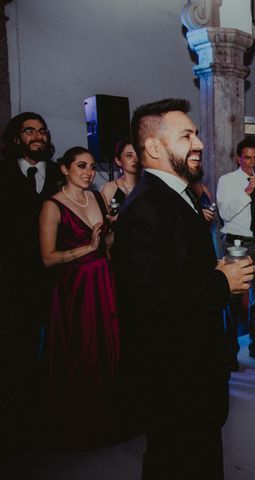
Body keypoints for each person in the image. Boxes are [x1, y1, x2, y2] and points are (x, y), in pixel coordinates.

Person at [112, 98, 254, 479]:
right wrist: (220, 282)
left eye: (196, 134)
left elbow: (176, 268)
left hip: (193, 367)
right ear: (154, 148)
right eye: (186, 135)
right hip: (173, 377)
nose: (200, 143)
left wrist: (214, 269)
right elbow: (149, 299)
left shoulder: (178, 195)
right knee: (177, 461)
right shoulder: (144, 208)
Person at [38, 146, 118, 447]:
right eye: (81, 166)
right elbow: (47, 258)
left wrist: (111, 231)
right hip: (75, 288)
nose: (88, 172)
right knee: (80, 352)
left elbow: (108, 243)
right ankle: (80, 426)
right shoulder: (52, 205)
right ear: (64, 169)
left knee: (106, 348)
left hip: (103, 280)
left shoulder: (97, 197)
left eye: (92, 166)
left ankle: (107, 419)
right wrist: (89, 247)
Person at [0, 112, 62, 452]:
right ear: (15, 139)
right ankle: (19, 420)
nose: (37, 136)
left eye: (41, 130)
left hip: (55, 276)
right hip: (14, 278)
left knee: (55, 343)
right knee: (18, 346)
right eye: (29, 131)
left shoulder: (57, 174)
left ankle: (52, 409)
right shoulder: (4, 175)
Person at [217, 138, 255, 369]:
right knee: (232, 300)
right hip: (236, 247)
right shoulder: (227, 181)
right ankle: (230, 351)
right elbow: (226, 213)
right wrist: (248, 189)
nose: (252, 162)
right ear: (238, 159)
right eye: (247, 157)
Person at [100, 138, 141, 210]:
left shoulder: (149, 186)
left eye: (138, 155)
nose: (136, 159)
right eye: (129, 155)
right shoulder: (110, 189)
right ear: (118, 161)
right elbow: (107, 218)